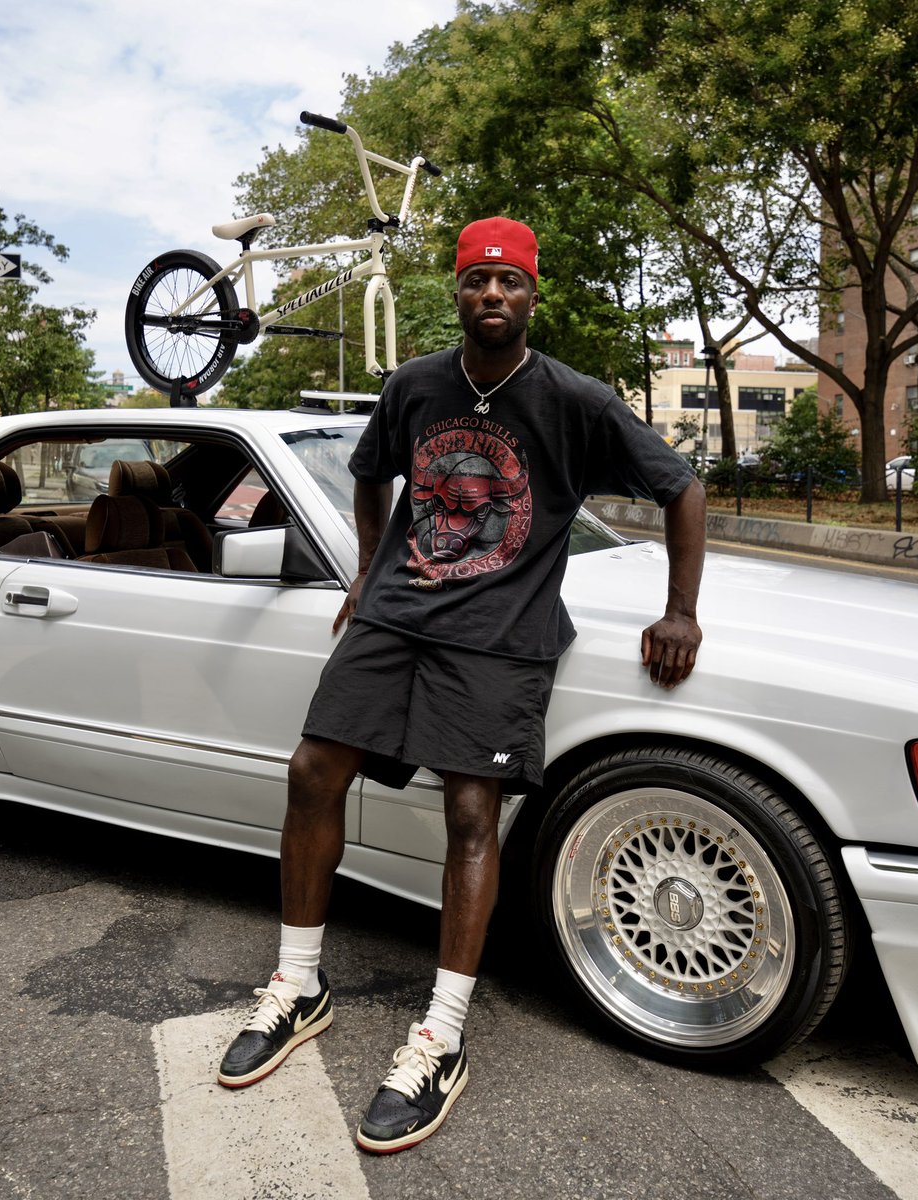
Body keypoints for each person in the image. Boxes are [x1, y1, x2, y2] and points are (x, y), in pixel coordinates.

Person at [217, 217, 706, 1153]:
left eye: (509, 283)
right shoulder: (415, 385)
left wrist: (679, 611)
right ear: (457, 291)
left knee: (472, 812)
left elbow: (679, 485)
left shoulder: (575, 398)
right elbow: (370, 477)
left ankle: (440, 1034)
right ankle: (298, 983)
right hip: (399, 615)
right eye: (477, 280)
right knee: (314, 770)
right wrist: (367, 574)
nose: (492, 295)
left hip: (499, 636)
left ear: (531, 295)